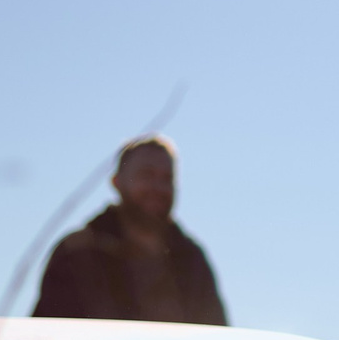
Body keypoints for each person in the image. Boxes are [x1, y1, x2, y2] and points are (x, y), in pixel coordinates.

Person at [32, 135, 228, 325]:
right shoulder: (77, 253)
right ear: (117, 182)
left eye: (167, 178)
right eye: (146, 175)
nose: (157, 187)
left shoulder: (191, 261)